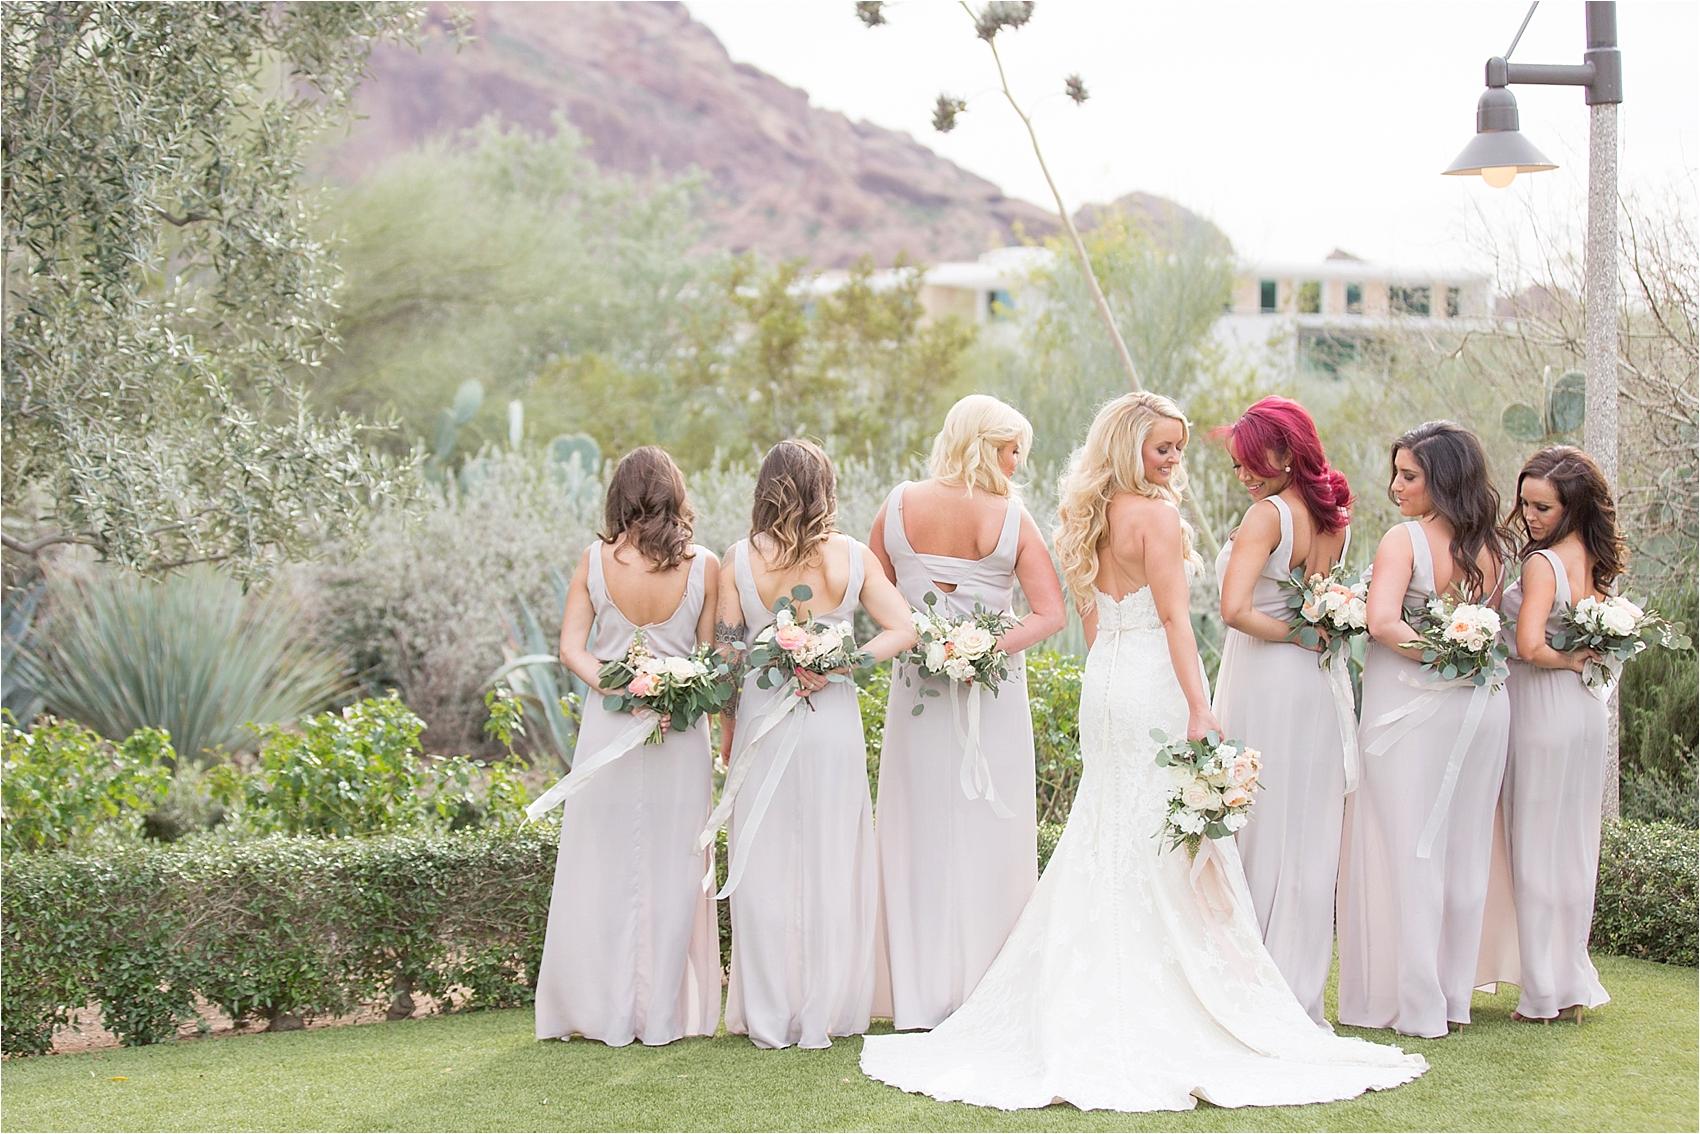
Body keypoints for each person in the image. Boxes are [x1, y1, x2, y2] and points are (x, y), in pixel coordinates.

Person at [860, 393, 1426, 1112]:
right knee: (1160, 842)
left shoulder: (1088, 514)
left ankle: (1093, 996)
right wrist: (1198, 704)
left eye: (1178, 449)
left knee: (1112, 832)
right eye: (1164, 448)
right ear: (1130, 447)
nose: (1175, 462)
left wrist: (1119, 681)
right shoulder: (1156, 518)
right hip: (1152, 680)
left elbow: (1098, 622)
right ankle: (1168, 1000)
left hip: (1108, 680)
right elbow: (1172, 619)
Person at [710, 440, 918, 1049]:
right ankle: (830, 1009)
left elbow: (727, 659)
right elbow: (903, 627)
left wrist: (726, 733)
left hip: (761, 722)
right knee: (833, 856)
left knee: (765, 860)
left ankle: (772, 1011)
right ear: (825, 487)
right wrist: (843, 661)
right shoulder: (851, 557)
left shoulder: (738, 559)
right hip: (831, 722)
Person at [869, 395, 1067, 1032]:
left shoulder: (898, 505)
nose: (1018, 463)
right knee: (988, 826)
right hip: (991, 693)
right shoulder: (1011, 517)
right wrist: (980, 648)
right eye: (1013, 450)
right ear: (985, 445)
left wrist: (926, 638)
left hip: (915, 689)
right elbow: (1049, 614)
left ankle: (915, 989)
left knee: (917, 824)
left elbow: (863, 586)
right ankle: (988, 983)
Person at [534, 447, 721, 1046]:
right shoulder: (706, 565)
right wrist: (669, 686)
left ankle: (604, 1010)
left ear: (618, 496)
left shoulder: (594, 561)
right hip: (681, 729)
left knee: (603, 864)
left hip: (611, 725)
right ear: (675, 495)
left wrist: (623, 687)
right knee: (672, 868)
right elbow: (711, 658)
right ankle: (660, 1015)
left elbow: (572, 648)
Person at [1337, 421, 1513, 1039]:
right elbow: (1486, 627)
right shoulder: (1491, 548)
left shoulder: (1403, 540)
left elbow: (1384, 623)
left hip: (1412, 709)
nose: (1395, 486)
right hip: (1482, 707)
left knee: (1411, 845)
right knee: (1464, 848)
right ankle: (1453, 997)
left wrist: (1441, 655)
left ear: (1442, 479)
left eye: (1408, 476)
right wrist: (1463, 656)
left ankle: (1418, 1005)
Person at [1210, 396, 1354, 1024]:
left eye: (1251, 460)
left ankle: (1246, 985)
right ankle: (1298, 990)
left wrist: (1295, 635)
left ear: (1288, 451)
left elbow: (1234, 608)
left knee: (1255, 821)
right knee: (1305, 830)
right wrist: (1310, 635)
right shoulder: (1334, 518)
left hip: (1268, 676)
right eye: (1236, 464)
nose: (1243, 474)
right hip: (1319, 683)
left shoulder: (1268, 515)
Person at [1489, 446, 1619, 1023]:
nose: (1531, 516)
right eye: (1526, 504)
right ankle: (1568, 979)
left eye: (1543, 507)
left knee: (1536, 845)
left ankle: (1543, 992)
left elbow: (1531, 644)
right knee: (1573, 845)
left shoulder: (1541, 565)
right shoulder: (1594, 556)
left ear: (1573, 506)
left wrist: (1567, 661)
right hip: (1587, 714)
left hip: (1544, 709)